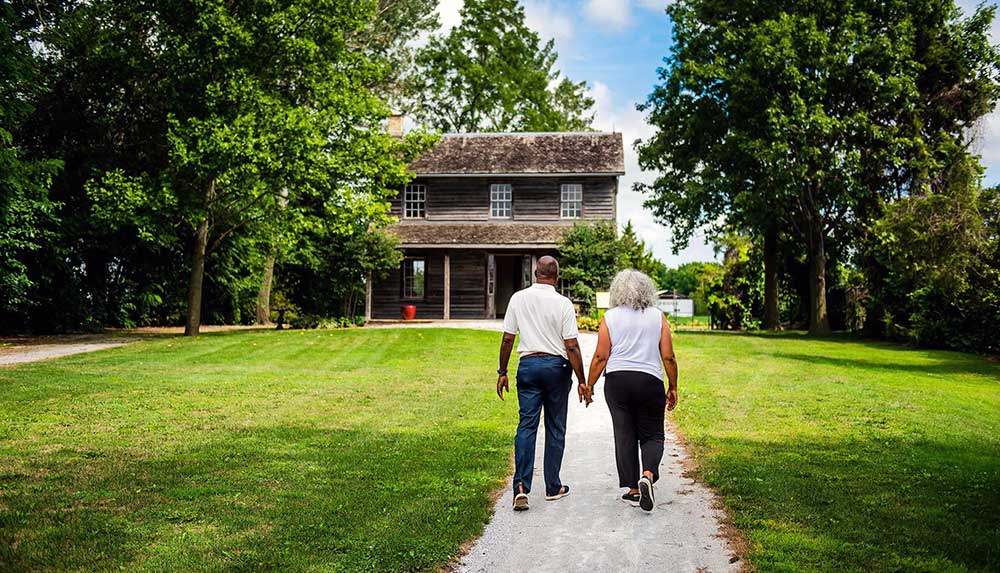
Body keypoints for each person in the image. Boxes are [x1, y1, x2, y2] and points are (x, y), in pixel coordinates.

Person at [496, 255, 589, 511]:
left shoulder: (518, 298)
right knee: (555, 427)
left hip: (527, 367)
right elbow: (571, 346)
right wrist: (582, 380)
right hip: (556, 369)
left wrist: (502, 371)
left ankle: (521, 487)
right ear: (556, 276)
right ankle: (552, 487)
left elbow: (507, 339)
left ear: (535, 273)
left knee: (526, 425)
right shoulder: (563, 304)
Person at [585, 269, 678, 512]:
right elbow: (668, 357)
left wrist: (589, 384)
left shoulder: (610, 317)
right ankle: (647, 474)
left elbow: (600, 356)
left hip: (617, 382)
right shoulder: (658, 317)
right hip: (649, 381)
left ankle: (633, 489)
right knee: (653, 434)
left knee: (624, 432)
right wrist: (673, 386)